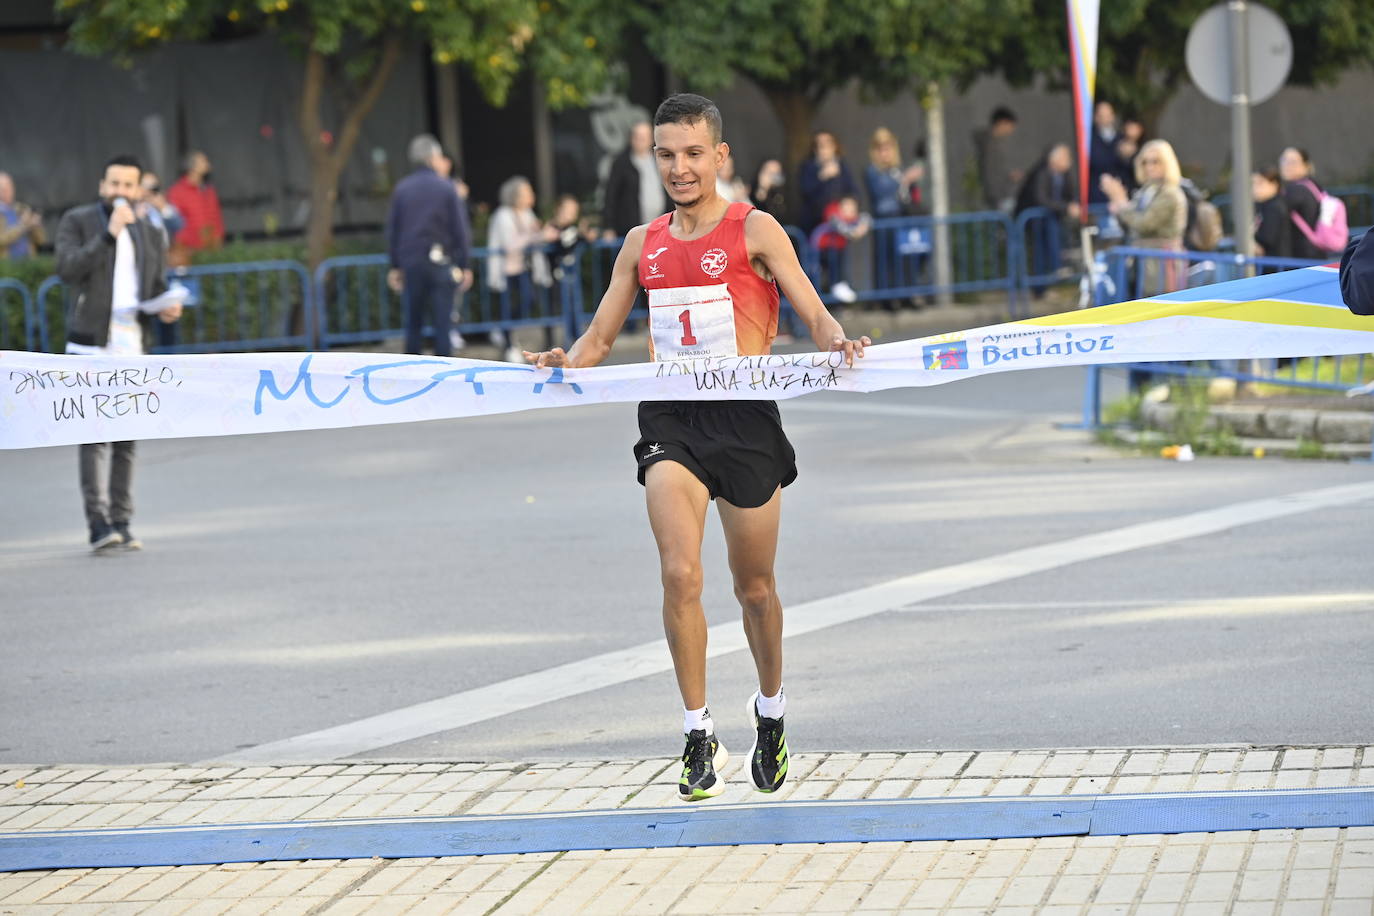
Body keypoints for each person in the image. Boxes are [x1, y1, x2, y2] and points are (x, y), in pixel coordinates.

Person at [523, 93, 869, 803]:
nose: (679, 168)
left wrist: (840, 342)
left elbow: (812, 311)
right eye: (666, 154)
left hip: (744, 424)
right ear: (653, 157)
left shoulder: (756, 229)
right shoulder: (638, 245)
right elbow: (596, 341)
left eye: (691, 153)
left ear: (719, 157)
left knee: (755, 588)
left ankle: (769, 712)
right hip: (671, 422)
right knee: (680, 574)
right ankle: (695, 731)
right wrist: (568, 360)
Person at [55, 154, 183, 552]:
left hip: (133, 345)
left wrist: (166, 304)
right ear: (102, 185)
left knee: (127, 437)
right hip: (90, 343)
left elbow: (154, 283)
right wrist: (108, 235)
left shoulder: (148, 230)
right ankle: (97, 524)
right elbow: (67, 268)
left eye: (129, 186)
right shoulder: (78, 221)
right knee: (92, 436)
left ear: (138, 189)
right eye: (114, 184)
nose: (121, 193)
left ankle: (122, 522)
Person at [385, 134, 470, 358]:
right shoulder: (446, 187)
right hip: (442, 262)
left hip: (411, 262)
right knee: (443, 323)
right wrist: (465, 264)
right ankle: (444, 378)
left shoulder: (402, 189)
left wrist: (395, 265)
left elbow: (393, 230)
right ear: (433, 157)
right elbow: (460, 230)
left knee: (413, 323)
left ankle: (411, 376)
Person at [1100, 139, 1187, 296]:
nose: (1149, 167)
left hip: (1163, 262)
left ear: (1167, 163)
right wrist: (1120, 205)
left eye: (1155, 162)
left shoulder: (1170, 193)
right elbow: (1129, 223)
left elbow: (1144, 223)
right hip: (1144, 260)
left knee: (1162, 310)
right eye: (1144, 162)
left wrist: (1121, 204)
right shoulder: (1147, 190)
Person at [487, 175, 553, 360]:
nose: (531, 196)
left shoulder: (527, 213)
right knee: (506, 307)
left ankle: (504, 330)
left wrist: (539, 234)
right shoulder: (502, 215)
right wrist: (536, 236)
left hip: (522, 268)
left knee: (528, 300)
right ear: (515, 196)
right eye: (526, 192)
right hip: (505, 269)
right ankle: (508, 344)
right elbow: (510, 244)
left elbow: (532, 236)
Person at [1014, 143, 1080, 296]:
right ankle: (1048, 278)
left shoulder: (1064, 175)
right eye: (1065, 157)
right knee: (1039, 252)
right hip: (1033, 218)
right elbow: (1041, 199)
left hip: (1053, 218)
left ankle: (1058, 266)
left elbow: (1071, 194)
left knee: (1052, 236)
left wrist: (1072, 205)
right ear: (1054, 160)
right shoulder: (1042, 173)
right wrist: (1065, 207)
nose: (1068, 161)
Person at [602, 120, 667, 238]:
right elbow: (610, 195)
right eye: (638, 136)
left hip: (661, 229)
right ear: (631, 138)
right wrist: (608, 226)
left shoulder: (660, 161)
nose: (641, 140)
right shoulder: (621, 163)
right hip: (631, 231)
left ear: (651, 139)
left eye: (644, 137)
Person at [808, 194, 871, 303]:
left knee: (838, 267)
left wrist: (863, 226)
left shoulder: (851, 216)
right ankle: (837, 285)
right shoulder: (833, 210)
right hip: (822, 250)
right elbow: (838, 225)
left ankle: (839, 286)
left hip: (837, 250)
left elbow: (866, 218)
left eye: (853, 207)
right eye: (847, 205)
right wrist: (855, 232)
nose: (850, 209)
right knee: (823, 276)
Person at [165, 150, 224, 261]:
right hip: (188, 251)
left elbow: (216, 217)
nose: (207, 164)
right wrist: (184, 245)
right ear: (192, 167)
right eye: (203, 161)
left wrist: (218, 239)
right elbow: (175, 222)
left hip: (211, 249)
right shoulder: (177, 191)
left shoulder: (209, 190)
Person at [1279, 147, 1335, 260]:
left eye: (1293, 162)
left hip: (1301, 258)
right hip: (1316, 252)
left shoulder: (1296, 190)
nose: (1286, 165)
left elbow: (1276, 215)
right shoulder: (1313, 185)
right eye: (1283, 160)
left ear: (1306, 165)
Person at [798, 130, 858, 233]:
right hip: (814, 223)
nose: (824, 149)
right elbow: (805, 191)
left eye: (828, 144)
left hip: (838, 223)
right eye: (820, 145)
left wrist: (849, 203)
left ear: (834, 147)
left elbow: (852, 190)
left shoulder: (842, 166)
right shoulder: (808, 167)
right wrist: (821, 176)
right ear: (815, 149)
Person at [974, 107, 1022, 213]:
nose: (1011, 130)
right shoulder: (989, 146)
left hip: (998, 197)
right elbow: (990, 174)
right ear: (1002, 123)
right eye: (1010, 126)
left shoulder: (992, 143)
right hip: (997, 199)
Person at [1088, 101, 1132, 206]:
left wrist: (1128, 156)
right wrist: (1118, 154)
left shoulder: (1122, 138)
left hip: (1120, 195)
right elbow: (1097, 161)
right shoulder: (1089, 140)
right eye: (1101, 115)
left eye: (1108, 115)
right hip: (1098, 198)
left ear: (1113, 116)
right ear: (1095, 117)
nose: (1105, 119)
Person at [0, 172, 45, 260]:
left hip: (28, 262)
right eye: (3, 189)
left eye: (9, 187)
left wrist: (35, 226)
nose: (7, 191)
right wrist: (22, 227)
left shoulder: (22, 209)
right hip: (6, 266)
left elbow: (41, 241)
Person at [1252, 168, 1293, 261]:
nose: (1255, 188)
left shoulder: (1275, 206)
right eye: (1253, 183)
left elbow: (1267, 239)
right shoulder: (1264, 204)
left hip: (1276, 265)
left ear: (1274, 184)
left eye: (1260, 183)